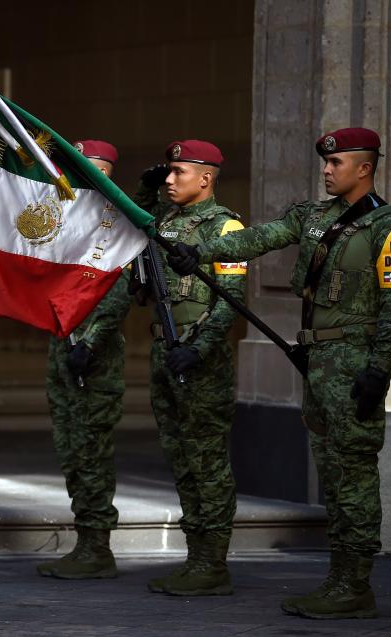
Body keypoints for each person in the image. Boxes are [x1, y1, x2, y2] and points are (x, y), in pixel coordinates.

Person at [168, 127, 391, 619]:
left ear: (365, 168)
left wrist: (380, 368)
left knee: (353, 474)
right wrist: (201, 252)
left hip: (355, 362)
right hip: (317, 362)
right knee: (332, 475)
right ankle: (339, 581)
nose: (327, 171)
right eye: (326, 164)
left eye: (338, 164)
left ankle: (355, 585)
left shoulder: (385, 225)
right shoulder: (311, 216)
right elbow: (258, 238)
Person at [135, 140, 247, 596]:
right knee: (181, 459)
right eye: (169, 172)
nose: (169, 179)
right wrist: (143, 193)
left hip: (200, 358)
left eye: (179, 172)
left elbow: (230, 299)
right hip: (164, 351)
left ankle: (213, 563)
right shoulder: (165, 222)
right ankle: (195, 557)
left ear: (206, 178)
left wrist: (198, 349)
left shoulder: (226, 227)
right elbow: (129, 228)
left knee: (207, 462)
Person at [38, 140, 132, 580]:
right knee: (71, 450)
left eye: (89, 169)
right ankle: (85, 540)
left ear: (107, 174)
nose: (79, 177)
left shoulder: (117, 223)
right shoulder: (65, 222)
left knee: (92, 451)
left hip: (94, 356)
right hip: (63, 348)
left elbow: (117, 296)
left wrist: (89, 344)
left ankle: (98, 547)